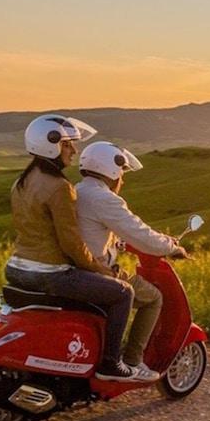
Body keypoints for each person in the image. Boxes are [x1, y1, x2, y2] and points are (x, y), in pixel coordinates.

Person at [5, 114, 139, 382]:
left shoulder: (21, 182)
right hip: (49, 273)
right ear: (51, 144)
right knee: (123, 293)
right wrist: (103, 269)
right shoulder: (60, 188)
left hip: (16, 269)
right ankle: (111, 363)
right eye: (68, 145)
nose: (74, 151)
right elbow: (72, 244)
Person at [75, 141, 188, 382]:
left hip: (76, 269)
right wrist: (172, 247)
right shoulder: (105, 199)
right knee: (153, 298)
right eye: (122, 174)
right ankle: (132, 362)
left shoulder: (77, 191)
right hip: (98, 272)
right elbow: (140, 232)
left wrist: (120, 244)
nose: (123, 181)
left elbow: (95, 232)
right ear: (112, 171)